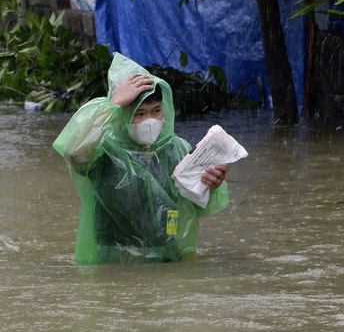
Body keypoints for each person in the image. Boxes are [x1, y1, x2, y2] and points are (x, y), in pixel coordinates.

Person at [53, 54, 230, 264]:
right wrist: (112, 104)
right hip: (115, 260)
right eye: (139, 114)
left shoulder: (176, 148)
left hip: (168, 256)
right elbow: (75, 153)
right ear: (122, 115)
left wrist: (212, 184)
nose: (149, 121)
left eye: (156, 111)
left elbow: (198, 206)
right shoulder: (104, 149)